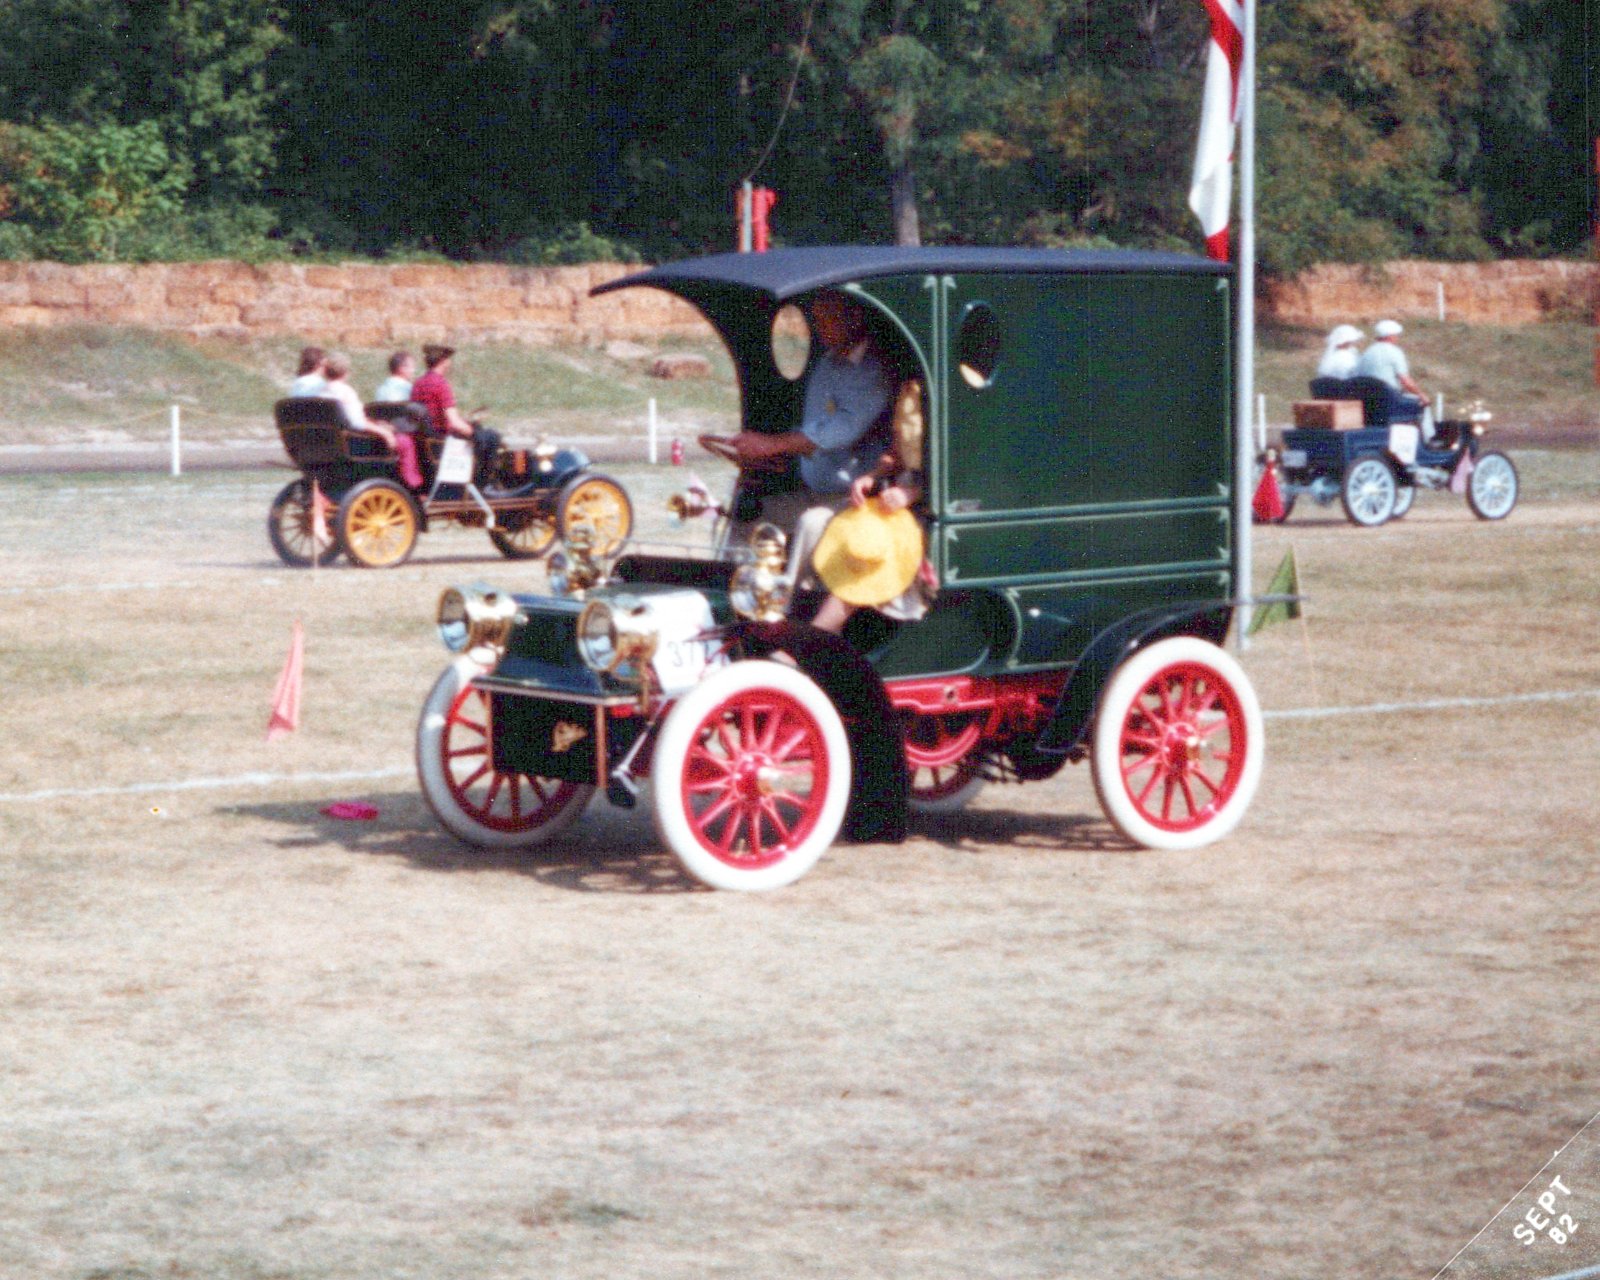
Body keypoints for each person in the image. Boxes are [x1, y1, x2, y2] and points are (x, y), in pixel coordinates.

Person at [706, 290, 894, 539]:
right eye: (816, 318)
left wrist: (772, 445)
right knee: (747, 514)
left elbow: (843, 429)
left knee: (809, 524)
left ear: (854, 318)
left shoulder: (872, 370)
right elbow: (814, 427)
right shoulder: (827, 363)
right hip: (813, 492)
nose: (819, 327)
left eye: (827, 317)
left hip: (855, 499)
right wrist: (773, 454)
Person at [320, 352, 424, 488]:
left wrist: (378, 424)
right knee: (405, 442)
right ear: (345, 372)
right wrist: (383, 432)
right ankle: (413, 483)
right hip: (354, 442)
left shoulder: (321, 393)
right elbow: (357, 422)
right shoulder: (345, 392)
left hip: (332, 440)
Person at [409, 344, 502, 481]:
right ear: (444, 362)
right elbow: (453, 422)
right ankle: (484, 483)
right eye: (448, 359)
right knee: (492, 436)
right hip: (441, 440)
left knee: (477, 428)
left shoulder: (418, 383)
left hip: (426, 439)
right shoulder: (440, 384)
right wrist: (474, 433)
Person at [1356, 319, 1430, 428]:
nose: (1397, 338)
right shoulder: (1394, 352)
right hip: (1389, 398)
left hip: (1368, 399)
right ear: (1390, 336)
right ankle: (1427, 435)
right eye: (1396, 335)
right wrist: (1421, 395)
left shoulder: (1367, 352)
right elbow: (1406, 381)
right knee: (1421, 402)